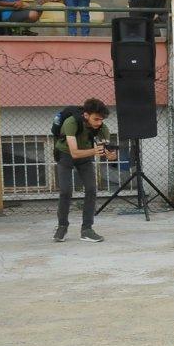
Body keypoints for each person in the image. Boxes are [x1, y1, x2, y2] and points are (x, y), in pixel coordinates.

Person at [54, 99, 116, 243]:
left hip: (86, 156)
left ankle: (87, 229)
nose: (99, 122)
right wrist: (95, 151)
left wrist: (111, 155)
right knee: (65, 191)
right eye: (96, 119)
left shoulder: (102, 128)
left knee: (91, 189)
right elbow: (74, 152)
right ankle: (62, 226)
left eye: (102, 119)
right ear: (86, 115)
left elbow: (106, 149)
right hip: (66, 154)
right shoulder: (71, 122)